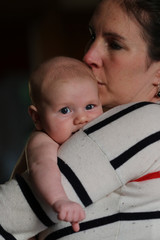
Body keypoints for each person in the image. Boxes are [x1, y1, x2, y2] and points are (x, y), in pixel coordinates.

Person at [1, 0, 160, 239]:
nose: (88, 56)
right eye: (92, 35)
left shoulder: (146, 121)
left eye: (114, 44)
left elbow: (7, 215)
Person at [24, 56, 103, 232]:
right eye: (65, 110)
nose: (82, 118)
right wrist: (60, 200)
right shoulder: (43, 141)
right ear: (37, 117)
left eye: (90, 106)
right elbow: (42, 167)